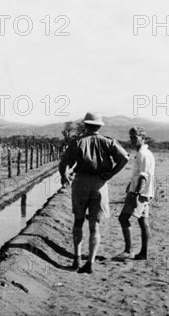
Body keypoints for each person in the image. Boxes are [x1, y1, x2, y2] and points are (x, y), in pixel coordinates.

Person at [59, 112, 129, 274]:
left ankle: (76, 259)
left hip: (81, 183)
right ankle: (90, 261)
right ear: (99, 126)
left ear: (86, 125)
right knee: (94, 226)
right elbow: (124, 158)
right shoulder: (108, 142)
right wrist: (110, 174)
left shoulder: (77, 142)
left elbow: (64, 163)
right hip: (100, 184)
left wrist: (65, 176)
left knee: (78, 222)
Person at [117, 126, 155, 260]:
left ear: (142, 138)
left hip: (140, 193)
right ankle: (143, 253)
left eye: (135, 137)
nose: (132, 140)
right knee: (143, 221)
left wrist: (135, 194)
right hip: (144, 193)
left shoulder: (143, 154)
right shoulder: (143, 153)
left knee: (123, 218)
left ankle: (128, 250)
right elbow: (139, 175)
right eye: (131, 137)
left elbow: (143, 177)